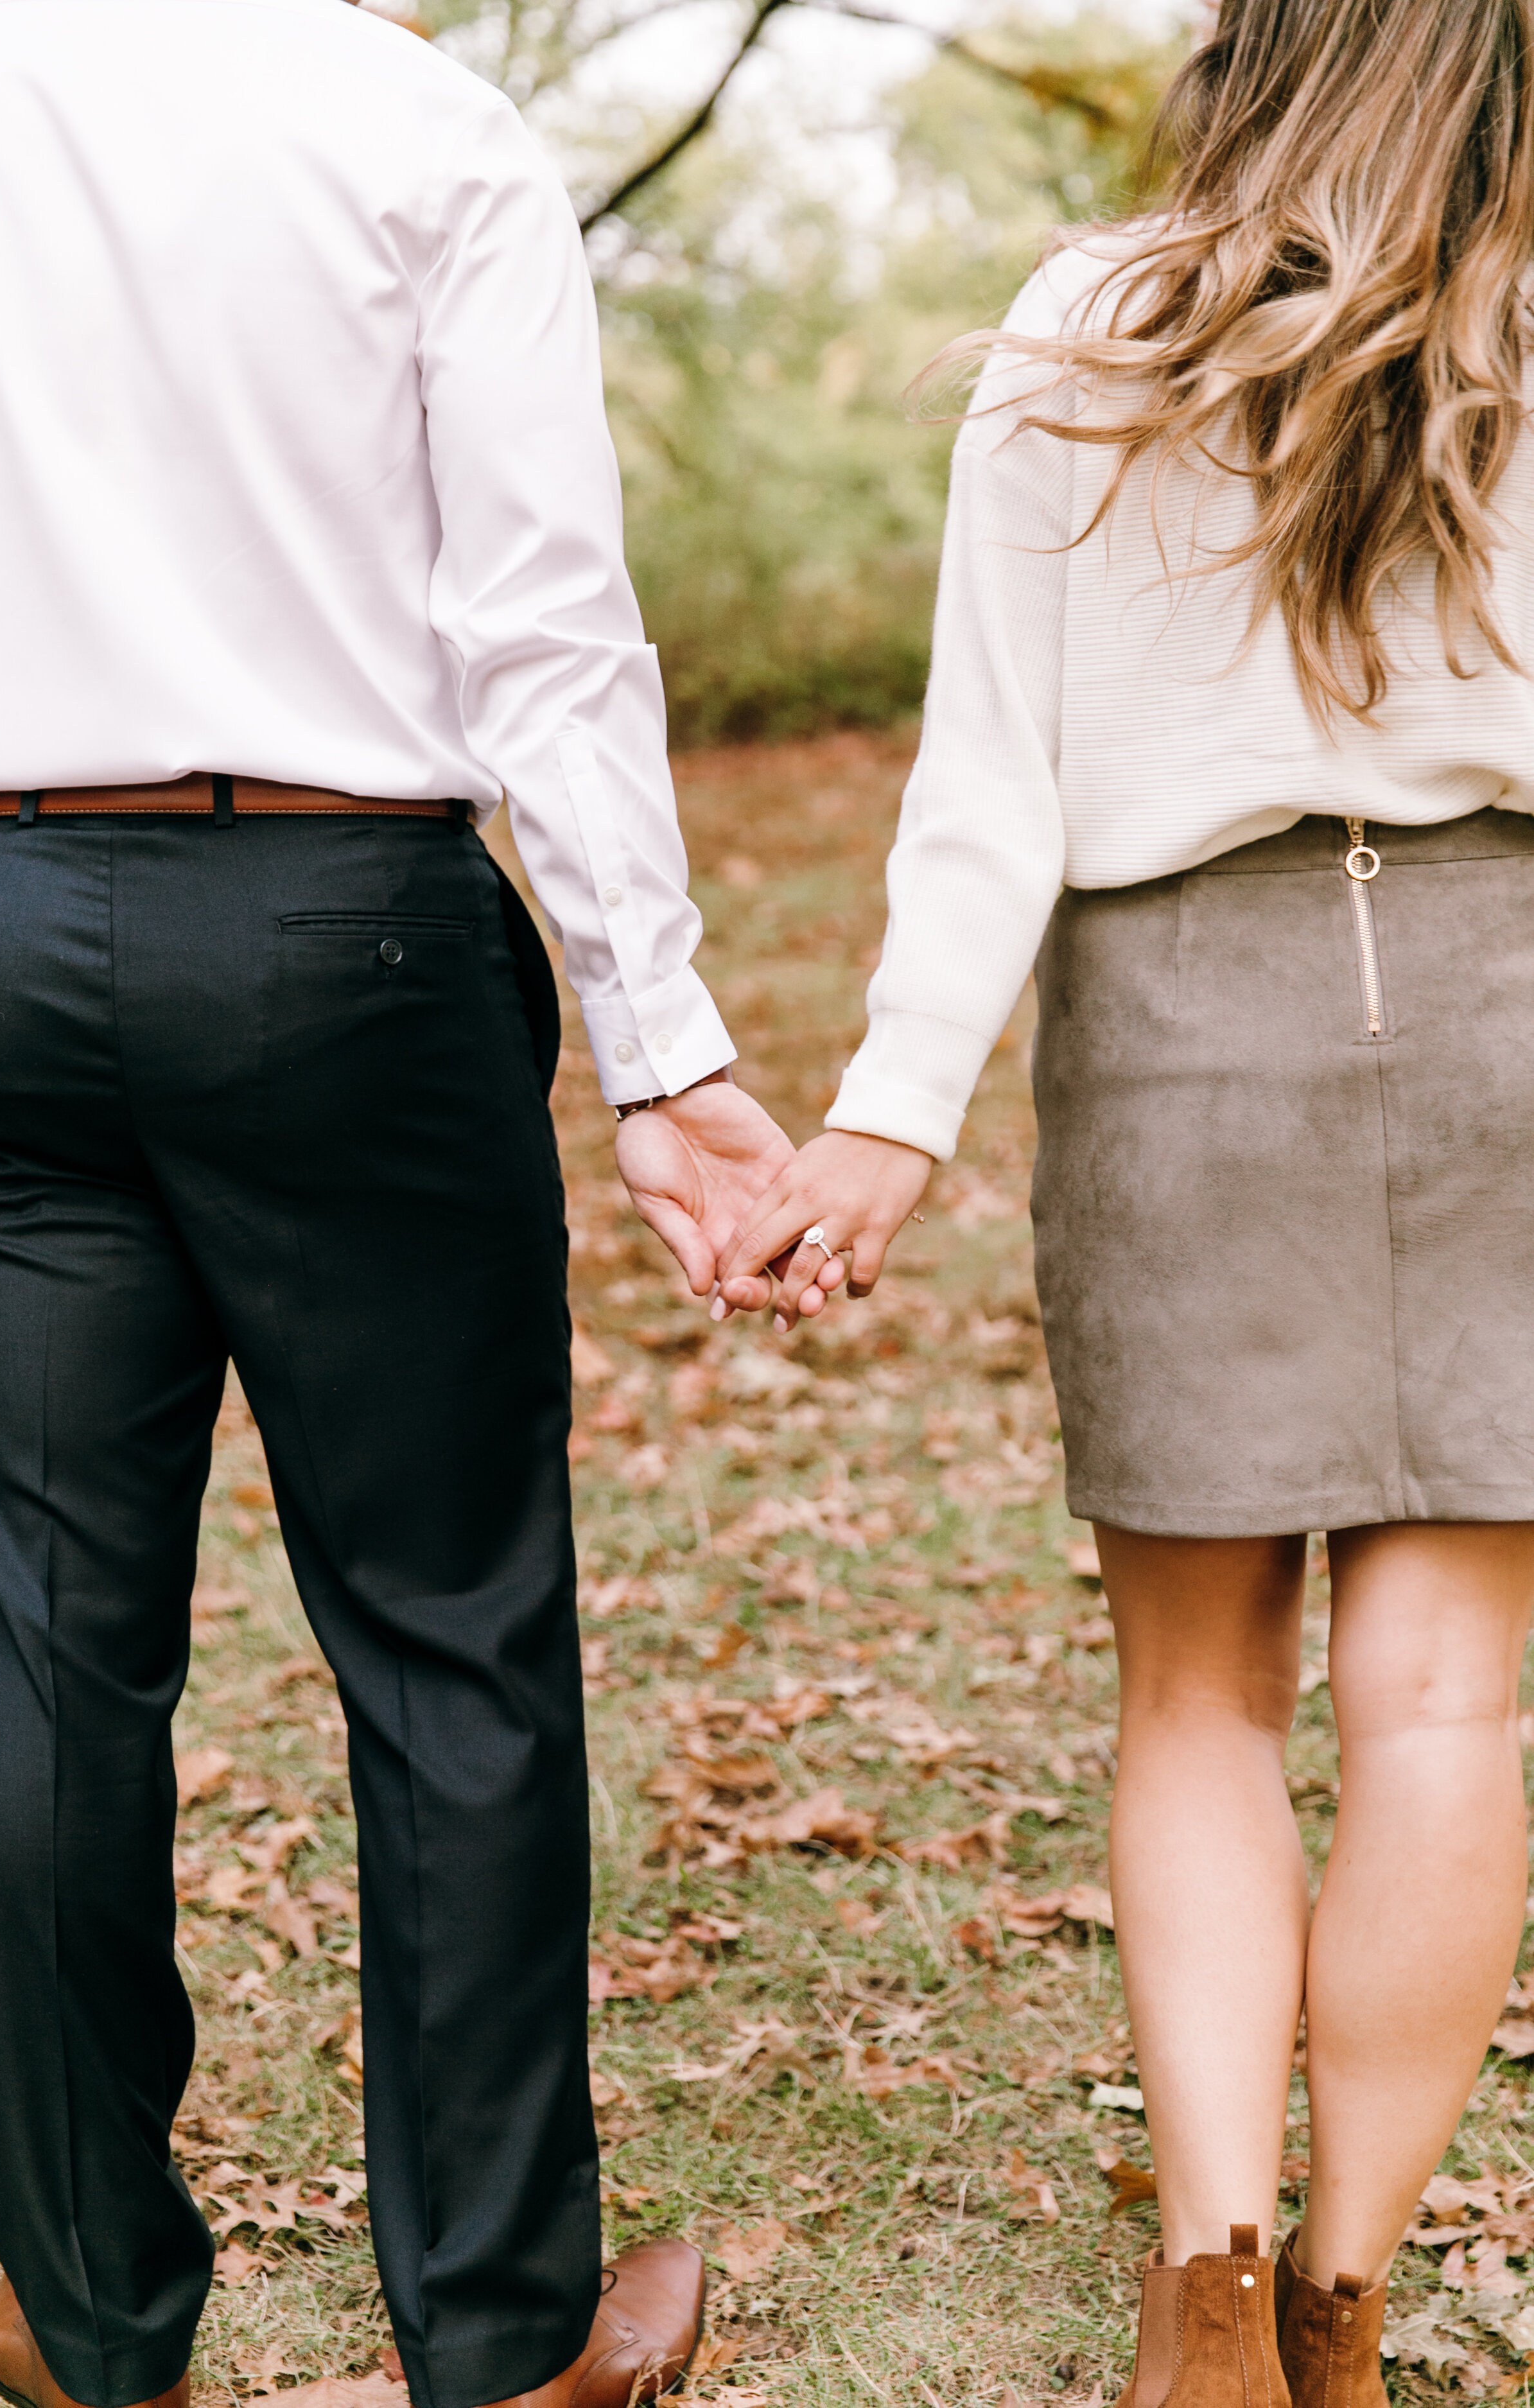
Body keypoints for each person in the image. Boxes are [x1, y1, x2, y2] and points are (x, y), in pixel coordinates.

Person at [0, 2, 796, 2404]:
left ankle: (93, 2322)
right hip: (346, 929)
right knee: (448, 1638)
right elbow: (540, 619)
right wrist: (663, 1043)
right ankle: (504, 2344)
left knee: (48, 1656)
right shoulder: (425, 126)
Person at [714, 3, 1534, 2404]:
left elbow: (988, 782)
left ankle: (1204, 2295)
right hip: (1510, 1007)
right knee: (1450, 1708)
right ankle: (1347, 2316)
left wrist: (886, 1118)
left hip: (1185, 1018)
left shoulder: (1096, 321)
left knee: (1192, 1691)